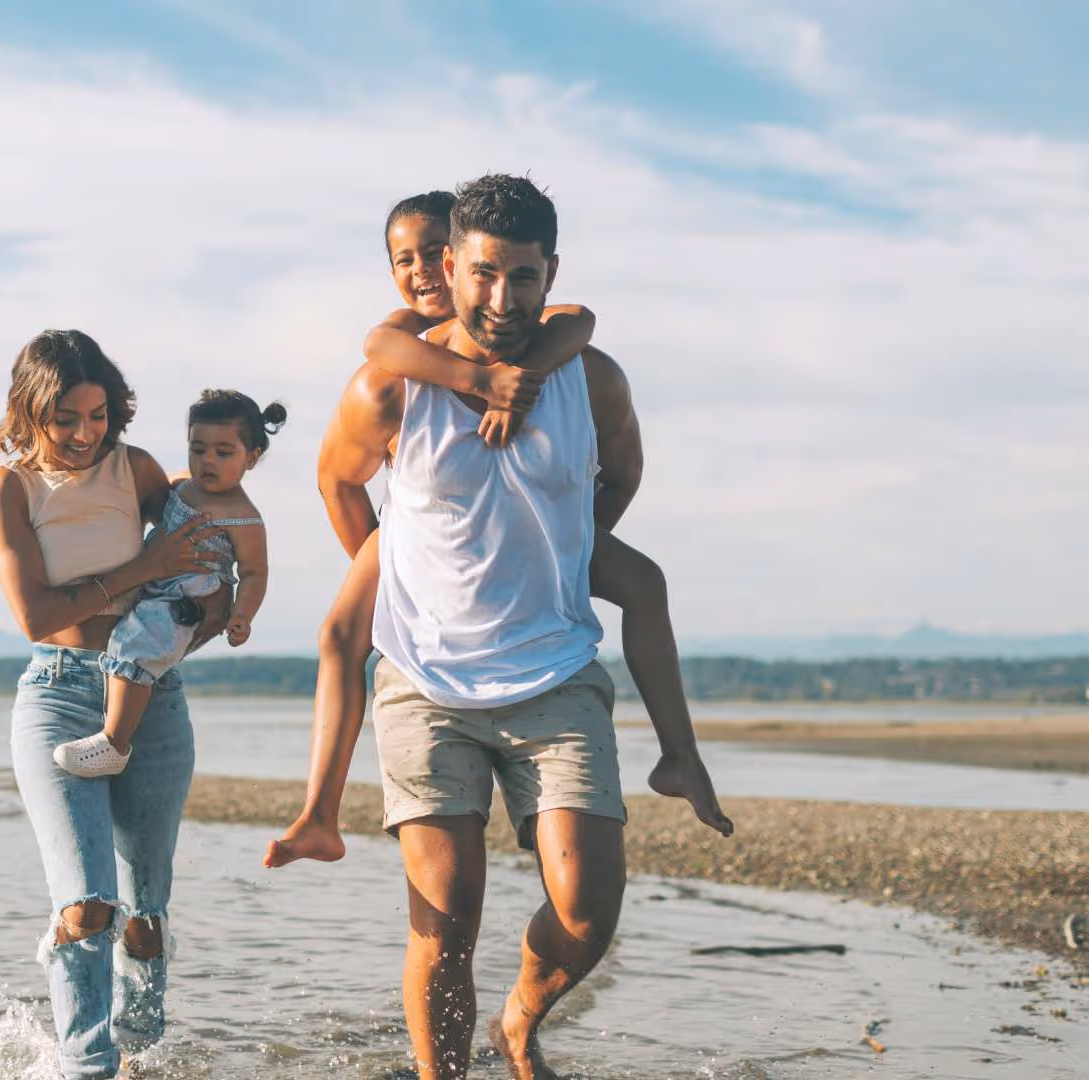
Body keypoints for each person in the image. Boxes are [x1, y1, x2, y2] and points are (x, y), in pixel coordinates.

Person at [305, 174, 700, 1079]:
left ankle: (519, 1021)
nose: (502, 297)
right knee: (446, 921)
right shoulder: (391, 387)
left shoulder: (587, 378)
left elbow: (623, 473)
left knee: (589, 911)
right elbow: (336, 480)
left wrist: (559, 546)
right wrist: (392, 563)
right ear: (452, 267)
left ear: (549, 273)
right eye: (483, 274)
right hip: (423, 682)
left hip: (555, 671)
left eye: (524, 277)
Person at [264, 190, 730, 873]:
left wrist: (565, 541)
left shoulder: (547, 335)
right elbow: (373, 357)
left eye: (432, 254)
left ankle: (679, 752)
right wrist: (477, 384)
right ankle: (319, 813)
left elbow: (580, 320)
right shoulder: (400, 339)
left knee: (643, 582)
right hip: (420, 538)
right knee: (340, 635)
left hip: (537, 538)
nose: (422, 272)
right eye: (407, 260)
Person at [0, 329, 230, 1078]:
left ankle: (143, 1054)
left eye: (98, 416)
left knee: (144, 916)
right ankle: (86, 1065)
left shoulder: (140, 470)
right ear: (30, 412)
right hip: (56, 695)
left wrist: (196, 620)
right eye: (66, 418)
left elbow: (207, 562)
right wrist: (145, 568)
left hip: (151, 697)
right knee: (89, 905)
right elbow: (35, 615)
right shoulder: (10, 488)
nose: (86, 434)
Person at [54, 389, 284, 778]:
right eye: (198, 449)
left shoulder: (244, 517)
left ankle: (115, 742)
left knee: (135, 647)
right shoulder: (180, 486)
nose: (207, 461)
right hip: (152, 583)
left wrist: (243, 614)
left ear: (252, 456)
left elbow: (255, 572)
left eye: (224, 453)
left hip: (186, 599)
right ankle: (113, 723)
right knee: (124, 640)